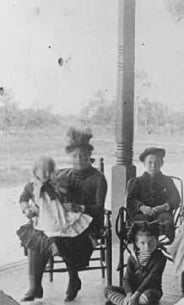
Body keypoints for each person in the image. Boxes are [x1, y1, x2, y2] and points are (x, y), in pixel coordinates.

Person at [17, 156, 93, 302]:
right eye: (42, 170)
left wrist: (62, 190)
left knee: (63, 240)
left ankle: (73, 280)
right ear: (35, 171)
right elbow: (23, 198)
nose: (45, 173)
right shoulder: (31, 186)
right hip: (44, 219)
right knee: (36, 239)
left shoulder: (59, 183)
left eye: (48, 170)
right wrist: (27, 209)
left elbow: (73, 198)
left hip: (62, 217)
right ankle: (35, 286)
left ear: (53, 171)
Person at [55, 126, 108, 301]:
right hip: (67, 220)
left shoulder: (98, 178)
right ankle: (73, 277)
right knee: (53, 233)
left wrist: (80, 208)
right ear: (70, 157)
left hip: (91, 220)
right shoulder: (62, 174)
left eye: (84, 156)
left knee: (70, 237)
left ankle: (73, 278)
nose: (79, 159)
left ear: (89, 157)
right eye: (76, 156)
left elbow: (99, 207)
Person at [104, 222, 167, 305]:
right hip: (133, 290)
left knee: (148, 296)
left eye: (151, 242)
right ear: (137, 243)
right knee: (107, 289)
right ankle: (126, 302)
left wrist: (136, 295)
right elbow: (126, 278)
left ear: (157, 240)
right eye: (142, 243)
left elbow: (151, 278)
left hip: (150, 289)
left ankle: (126, 303)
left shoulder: (160, 258)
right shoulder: (132, 257)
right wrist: (129, 294)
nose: (147, 246)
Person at [126, 147, 182, 241]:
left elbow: (175, 198)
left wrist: (164, 206)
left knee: (166, 222)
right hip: (142, 214)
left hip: (162, 213)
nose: (153, 165)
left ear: (161, 163)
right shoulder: (137, 181)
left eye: (156, 162)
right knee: (141, 223)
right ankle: (143, 248)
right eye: (149, 162)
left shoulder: (167, 181)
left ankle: (163, 246)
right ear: (144, 163)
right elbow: (131, 200)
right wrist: (141, 207)